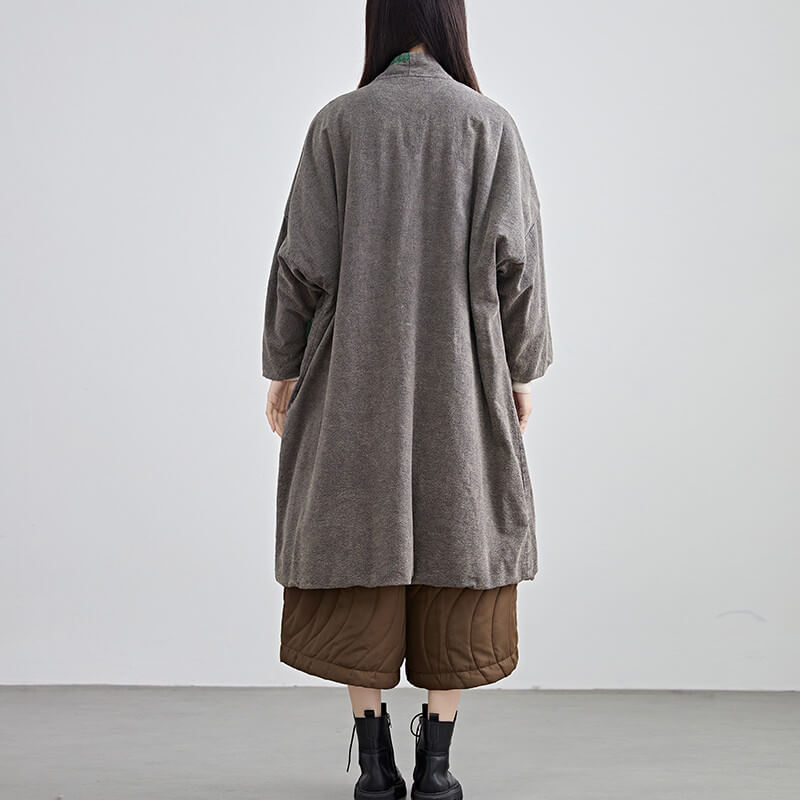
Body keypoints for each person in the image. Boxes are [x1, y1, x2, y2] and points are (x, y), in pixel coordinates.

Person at [261, 1, 553, 797]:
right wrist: (520, 369)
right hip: (463, 377)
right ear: (453, 22)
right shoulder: (488, 126)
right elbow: (521, 267)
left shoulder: (339, 124)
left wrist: (282, 364)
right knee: (462, 546)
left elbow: (300, 262)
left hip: (353, 379)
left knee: (358, 544)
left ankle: (374, 764)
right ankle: (438, 768)